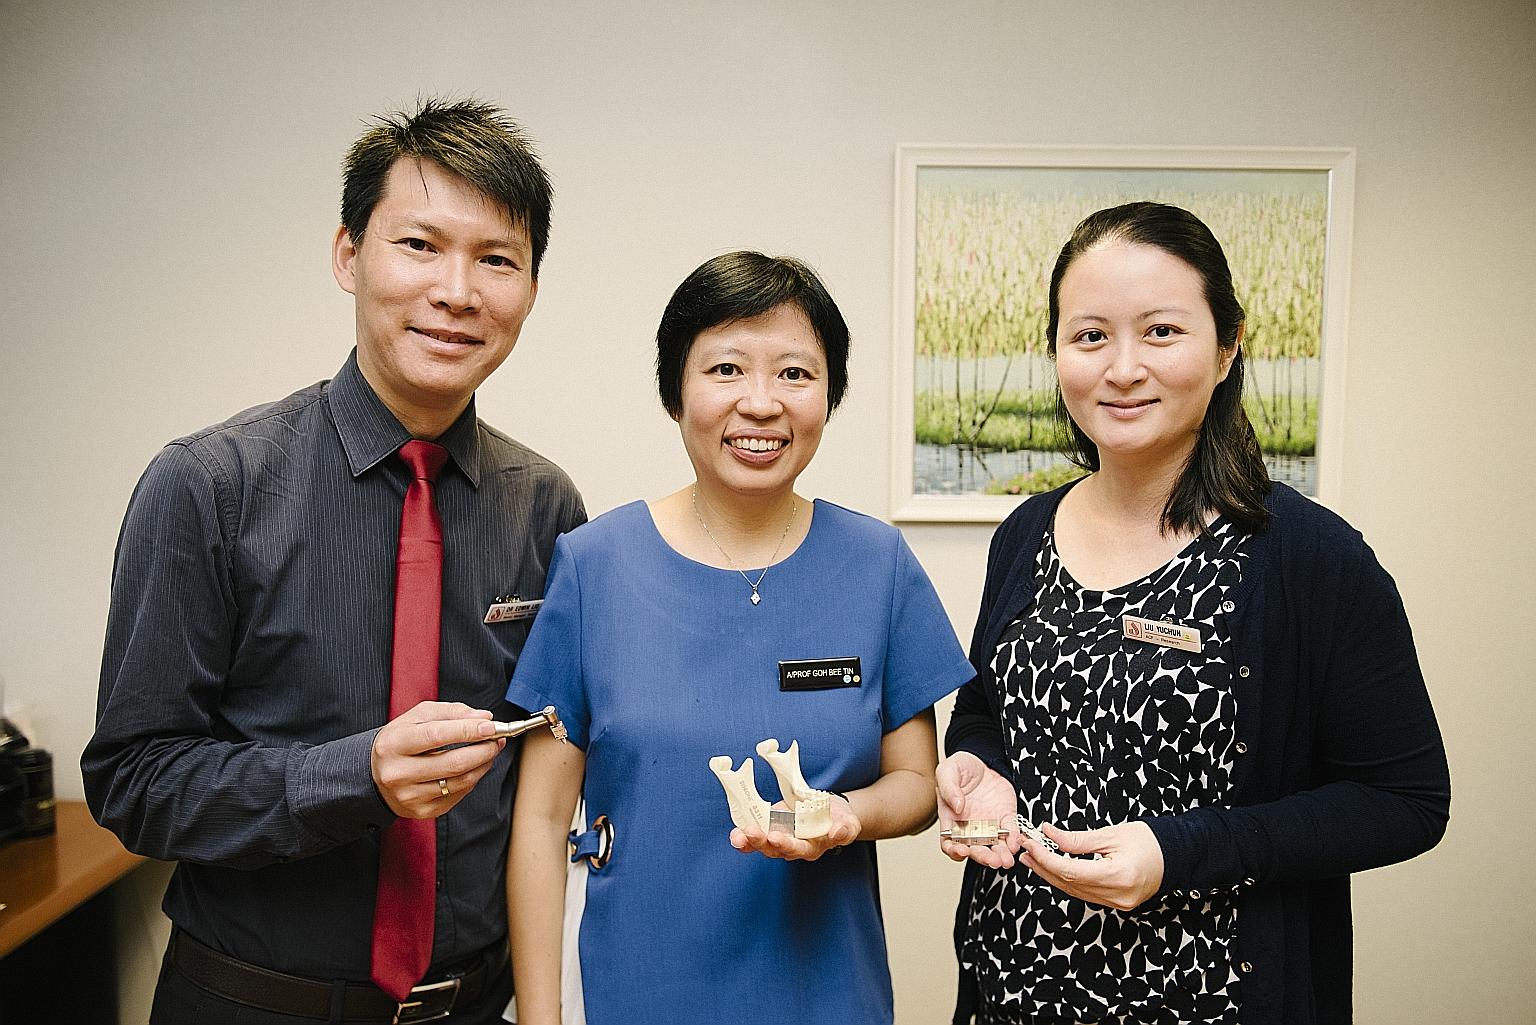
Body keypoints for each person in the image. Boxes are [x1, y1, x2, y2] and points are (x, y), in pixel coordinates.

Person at [82, 99, 584, 1025]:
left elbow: (549, 777)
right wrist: (354, 777)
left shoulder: (544, 504)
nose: (458, 290)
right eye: (421, 245)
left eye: (497, 260)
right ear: (349, 255)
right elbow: (132, 780)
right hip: (251, 1002)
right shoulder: (208, 485)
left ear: (532, 288)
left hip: (475, 1006)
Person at [936, 202, 1450, 1025]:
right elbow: (990, 709)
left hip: (1212, 997)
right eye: (1091, 335)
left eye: (1162, 331)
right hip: (1016, 987)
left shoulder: (1308, 557)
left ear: (1228, 344)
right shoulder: (1026, 533)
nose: (1123, 367)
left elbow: (1407, 800)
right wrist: (976, 765)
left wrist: (1183, 853)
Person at [505, 251, 975, 1024]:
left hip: (828, 996)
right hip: (639, 992)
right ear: (676, 390)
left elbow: (919, 785)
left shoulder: (876, 564)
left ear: (830, 394)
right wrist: (539, 1018)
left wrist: (848, 815)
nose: (761, 404)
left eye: (795, 373)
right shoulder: (596, 565)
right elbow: (543, 817)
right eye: (725, 368)